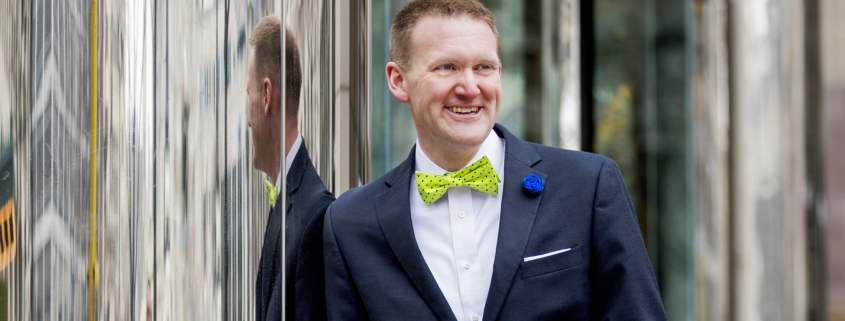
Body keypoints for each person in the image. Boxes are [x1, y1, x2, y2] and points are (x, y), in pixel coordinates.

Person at [322, 0, 666, 320]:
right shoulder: (351, 223)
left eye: (484, 67)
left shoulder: (587, 186)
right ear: (399, 81)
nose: (470, 87)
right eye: (447, 67)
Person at [247, 15, 334, 321]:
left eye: (248, 95)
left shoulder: (314, 217)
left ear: (266, 95)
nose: (246, 119)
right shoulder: (292, 203)